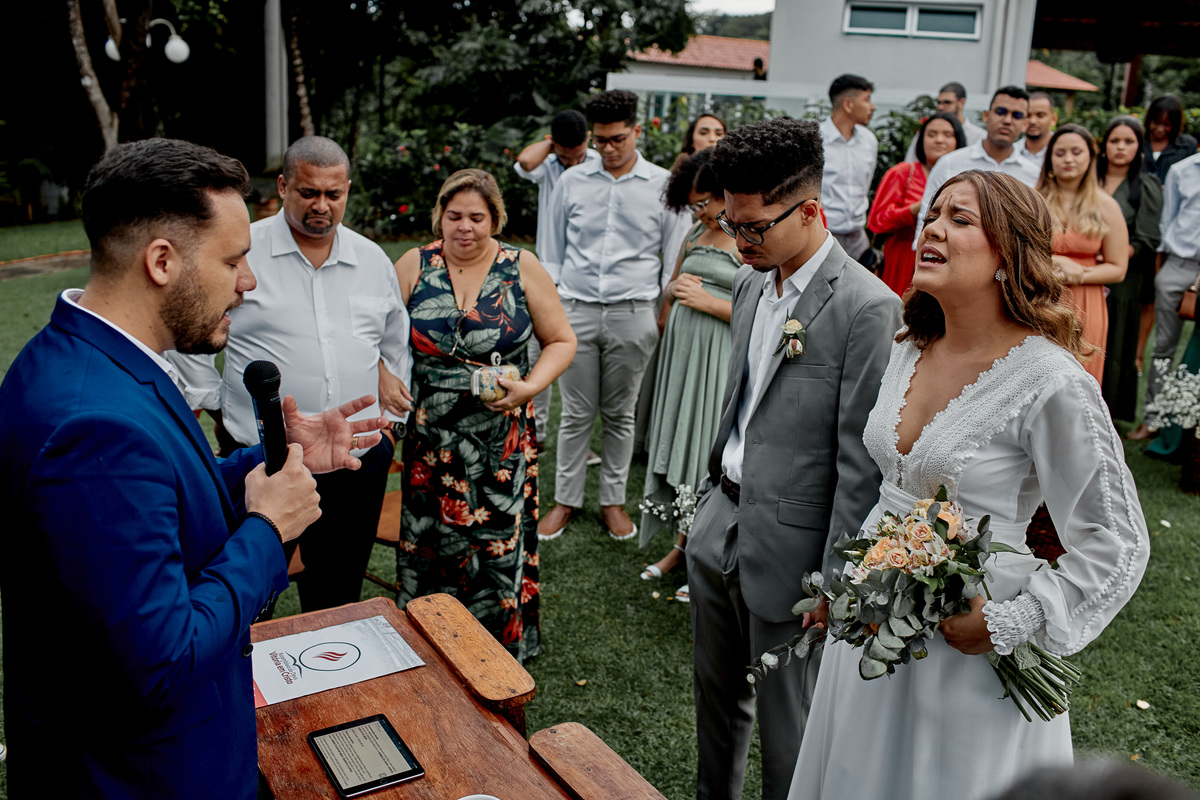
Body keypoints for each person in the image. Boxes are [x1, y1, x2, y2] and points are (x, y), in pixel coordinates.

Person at [0, 138, 387, 798]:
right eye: (234, 259)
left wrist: (267, 458)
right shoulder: (92, 426)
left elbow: (154, 496)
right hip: (144, 776)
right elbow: (162, 659)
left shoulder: (91, 356)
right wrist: (267, 531)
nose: (249, 280)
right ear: (162, 261)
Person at [788, 170, 1149, 800]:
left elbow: (1117, 542)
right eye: (934, 214)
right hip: (877, 615)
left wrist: (1011, 621)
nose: (932, 228)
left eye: (960, 219)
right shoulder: (911, 343)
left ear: (1009, 255)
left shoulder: (1051, 382)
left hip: (970, 638)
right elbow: (889, 483)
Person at [689, 118, 902, 800]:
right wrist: (706, 504)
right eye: (731, 223)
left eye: (754, 227)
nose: (739, 241)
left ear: (810, 210)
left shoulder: (869, 308)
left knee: (791, 734)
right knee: (713, 708)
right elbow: (743, 405)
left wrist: (835, 580)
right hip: (720, 517)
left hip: (798, 554)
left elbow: (860, 465)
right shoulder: (752, 283)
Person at [171, 135, 412, 613]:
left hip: (356, 458)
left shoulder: (372, 260)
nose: (322, 205)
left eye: (333, 194)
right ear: (283, 186)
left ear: (347, 190)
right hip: (264, 459)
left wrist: (389, 419)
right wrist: (217, 405)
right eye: (309, 193)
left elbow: (393, 341)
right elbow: (191, 336)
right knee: (248, 593)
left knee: (338, 593)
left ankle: (328, 680)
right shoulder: (242, 251)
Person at [394, 169, 575, 663]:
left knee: (493, 542)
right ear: (440, 216)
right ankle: (429, 646)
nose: (465, 227)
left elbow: (561, 340)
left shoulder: (522, 266)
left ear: (496, 218)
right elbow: (380, 341)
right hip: (433, 436)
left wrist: (530, 387)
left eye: (477, 217)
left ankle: (494, 653)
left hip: (500, 436)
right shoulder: (414, 263)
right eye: (454, 216)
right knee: (432, 539)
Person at [537, 89, 690, 542]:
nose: (607, 148)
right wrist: (557, 308)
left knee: (621, 414)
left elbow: (673, 255)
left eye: (617, 138)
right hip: (576, 311)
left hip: (634, 311)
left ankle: (612, 502)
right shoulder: (571, 182)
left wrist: (660, 311)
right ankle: (565, 500)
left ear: (637, 131)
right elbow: (552, 251)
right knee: (576, 413)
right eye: (600, 140)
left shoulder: (664, 185)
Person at [637, 148, 741, 598]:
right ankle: (678, 548)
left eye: (706, 203)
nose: (699, 212)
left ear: (727, 196)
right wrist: (673, 290)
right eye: (694, 204)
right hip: (680, 358)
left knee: (704, 450)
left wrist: (709, 303)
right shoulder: (696, 233)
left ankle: (700, 550)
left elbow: (766, 313)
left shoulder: (746, 241)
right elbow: (672, 287)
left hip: (716, 360)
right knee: (679, 445)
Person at [514, 110, 600, 452]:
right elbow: (524, 161)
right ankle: (538, 432)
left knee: (578, 361)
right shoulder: (549, 167)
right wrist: (552, 148)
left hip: (583, 275)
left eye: (578, 152)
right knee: (537, 356)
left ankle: (578, 438)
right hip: (547, 275)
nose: (574, 160)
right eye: (567, 155)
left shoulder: (596, 164)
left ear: (588, 140)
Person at [1035, 124, 1129, 386]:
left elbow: (1118, 268)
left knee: (1079, 378)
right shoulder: (1033, 200)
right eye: (1060, 153)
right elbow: (1017, 250)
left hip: (1086, 302)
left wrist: (1080, 273)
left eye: (1076, 152)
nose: (1068, 159)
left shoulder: (1106, 206)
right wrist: (1058, 261)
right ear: (1050, 158)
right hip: (1039, 296)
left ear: (1090, 157)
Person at [1130, 150, 1200, 441]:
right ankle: (1153, 418)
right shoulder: (1182, 170)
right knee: (1163, 349)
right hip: (1179, 264)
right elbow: (1166, 221)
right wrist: (1163, 271)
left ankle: (1190, 427)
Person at [914, 86, 1040, 246]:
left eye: (1017, 115)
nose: (1007, 120)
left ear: (1025, 124)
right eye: (1001, 112)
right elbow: (927, 215)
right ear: (986, 115)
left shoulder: (1034, 174)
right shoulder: (950, 163)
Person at [1097, 116, 1163, 419]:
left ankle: (1108, 413)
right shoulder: (1088, 179)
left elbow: (1148, 238)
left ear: (1139, 148)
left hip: (1124, 277)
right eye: (1114, 141)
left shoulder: (1146, 185)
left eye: (1129, 142)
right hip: (1080, 272)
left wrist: (1112, 254)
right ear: (1103, 145)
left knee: (1114, 341)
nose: (1120, 148)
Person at [870, 110, 966, 296]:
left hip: (951, 258)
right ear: (921, 140)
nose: (939, 140)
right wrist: (917, 209)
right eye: (931, 134)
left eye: (947, 135)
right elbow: (878, 221)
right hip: (904, 256)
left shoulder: (966, 179)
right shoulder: (904, 172)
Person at [820, 74, 878, 265]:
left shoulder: (869, 141)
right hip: (822, 234)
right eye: (867, 100)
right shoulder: (815, 139)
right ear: (848, 104)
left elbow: (866, 185)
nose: (873, 107)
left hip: (858, 236)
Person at [902, 81, 985, 161]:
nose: (941, 107)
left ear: (962, 102)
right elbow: (911, 160)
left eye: (947, 102)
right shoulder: (927, 129)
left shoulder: (979, 136)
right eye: (939, 102)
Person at [1143, 94, 1199, 183]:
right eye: (1156, 122)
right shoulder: (1137, 143)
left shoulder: (1186, 145)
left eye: (1166, 124)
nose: (1160, 129)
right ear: (1149, 120)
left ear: (1175, 125)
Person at [1016, 91, 1058, 167]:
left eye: (1040, 115)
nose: (1032, 121)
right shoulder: (1011, 153)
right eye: (1028, 115)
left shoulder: (1062, 153)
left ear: (1053, 119)